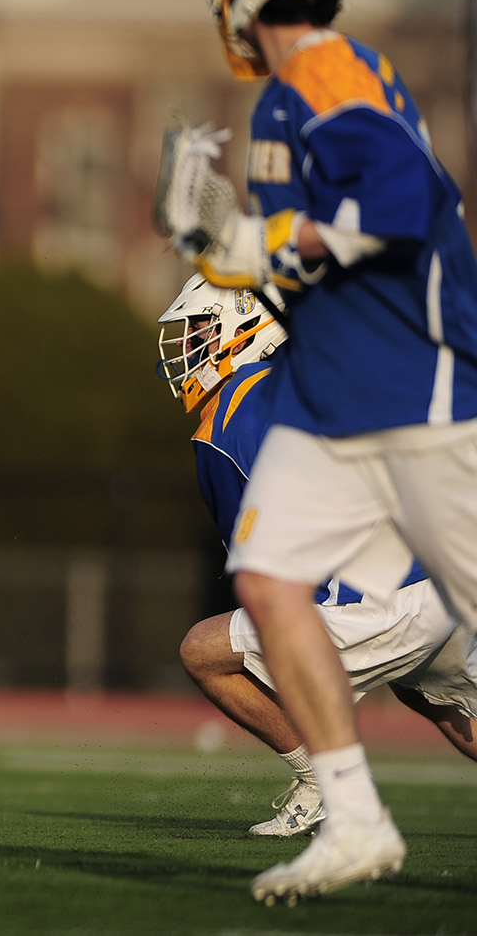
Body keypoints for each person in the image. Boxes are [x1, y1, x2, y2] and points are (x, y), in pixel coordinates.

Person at [160, 0, 477, 903]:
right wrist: (236, 247)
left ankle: (345, 809)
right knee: (267, 580)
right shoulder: (291, 96)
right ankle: (353, 819)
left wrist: (255, 243)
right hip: (359, 397)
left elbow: (400, 204)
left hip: (412, 394)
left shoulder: (323, 75)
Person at [159, 276, 477, 840]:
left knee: (204, 651)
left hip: (378, 604)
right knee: (444, 706)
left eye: (202, 328)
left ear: (243, 328)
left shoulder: (223, 423)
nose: (190, 345)